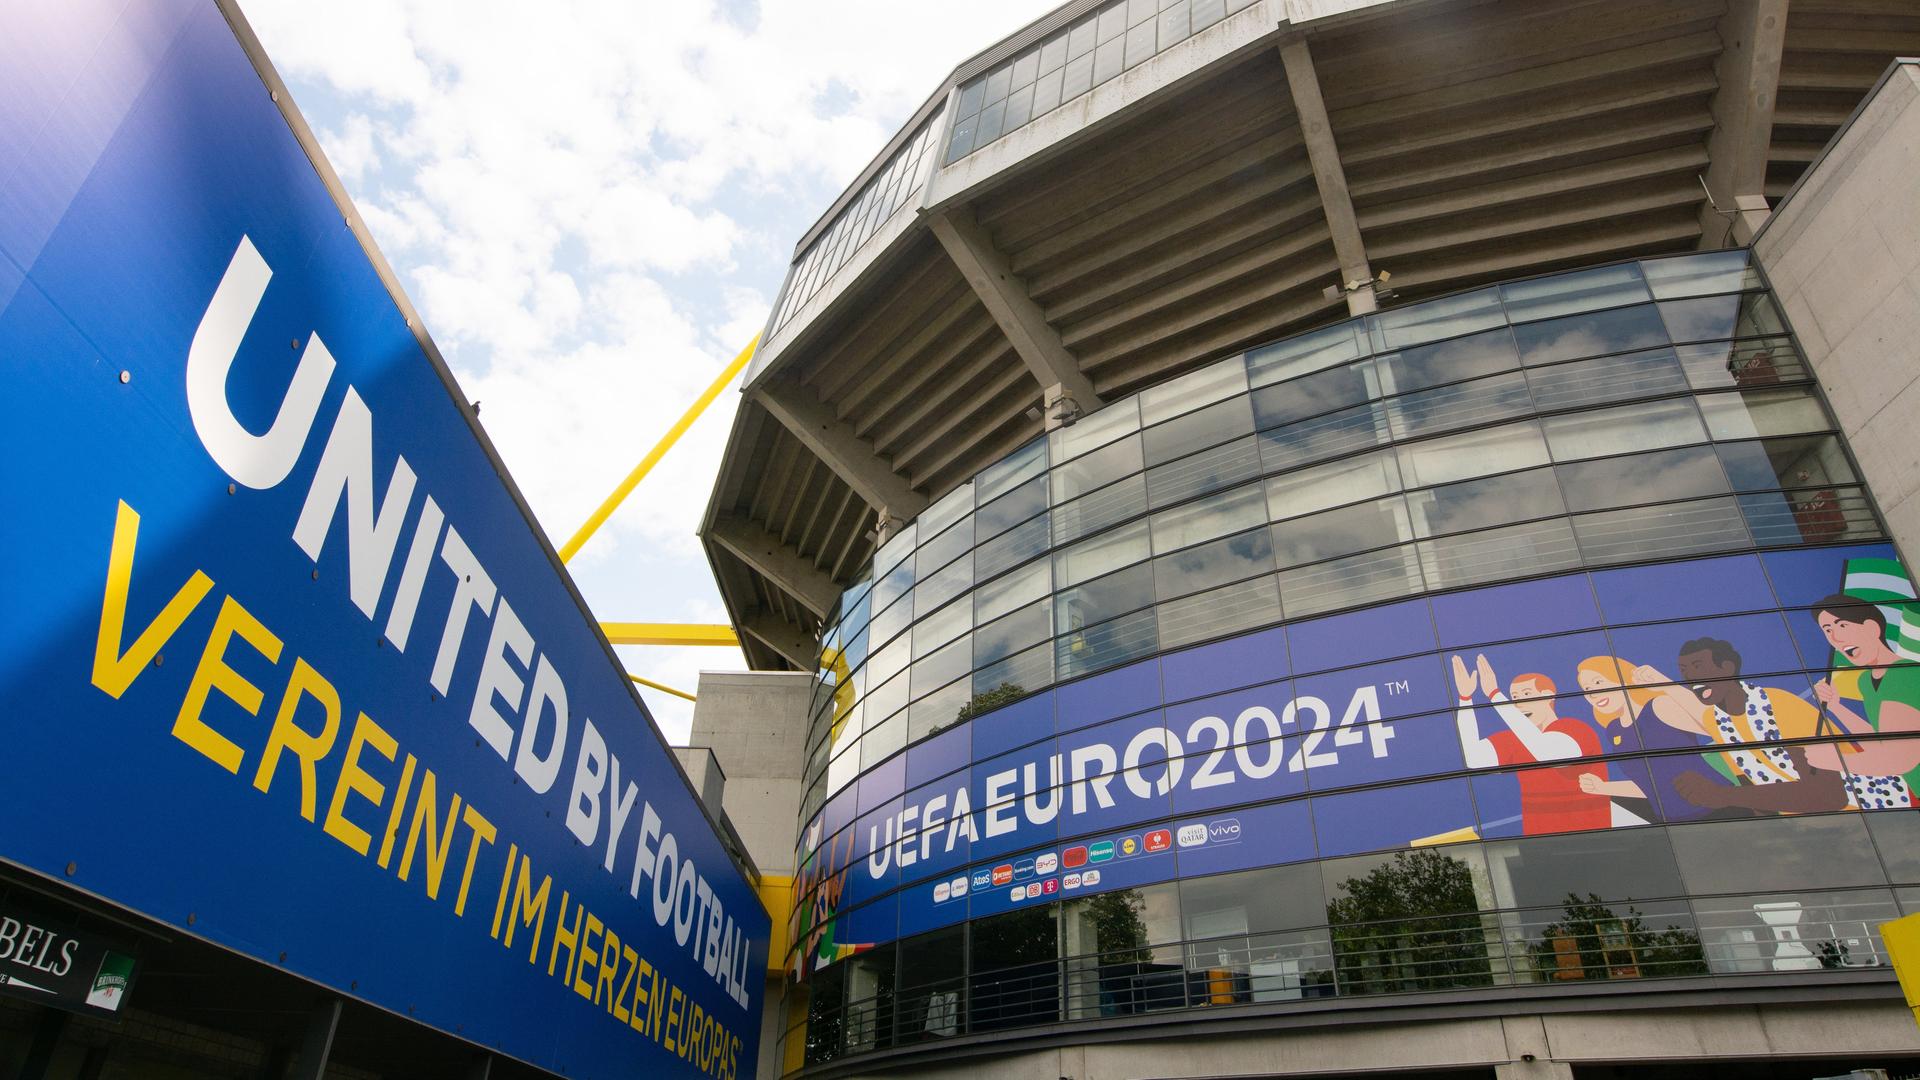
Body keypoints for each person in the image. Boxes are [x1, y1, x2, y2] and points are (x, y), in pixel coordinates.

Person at [1637, 638, 1849, 814]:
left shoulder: (1779, 705)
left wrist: (1722, 795)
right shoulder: (1716, 721)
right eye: (1684, 670)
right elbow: (1751, 788)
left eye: (1698, 666)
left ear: (1727, 667)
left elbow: (1830, 796)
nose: (1691, 677)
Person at [1453, 653, 1613, 835]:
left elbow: (1547, 752)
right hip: (1540, 846)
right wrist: (1465, 698)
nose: (1519, 704)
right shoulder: (1515, 739)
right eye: (1514, 697)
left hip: (1593, 841)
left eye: (1526, 694)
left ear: (1548, 695)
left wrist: (1495, 695)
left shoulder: (1574, 729)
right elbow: (1474, 758)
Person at [1807, 594, 1920, 808]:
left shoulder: (1905, 673)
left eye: (1842, 625)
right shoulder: (1866, 681)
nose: (1835, 638)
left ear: (1871, 628)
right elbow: (1882, 741)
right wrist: (1837, 708)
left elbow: (1901, 758)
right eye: (1828, 630)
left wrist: (1833, 759)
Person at [1572, 656, 1657, 824]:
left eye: (1598, 682)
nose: (1593, 693)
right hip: (1667, 811)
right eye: (1587, 689)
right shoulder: (1615, 730)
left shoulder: (1657, 711)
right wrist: (1601, 788)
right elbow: (1652, 785)